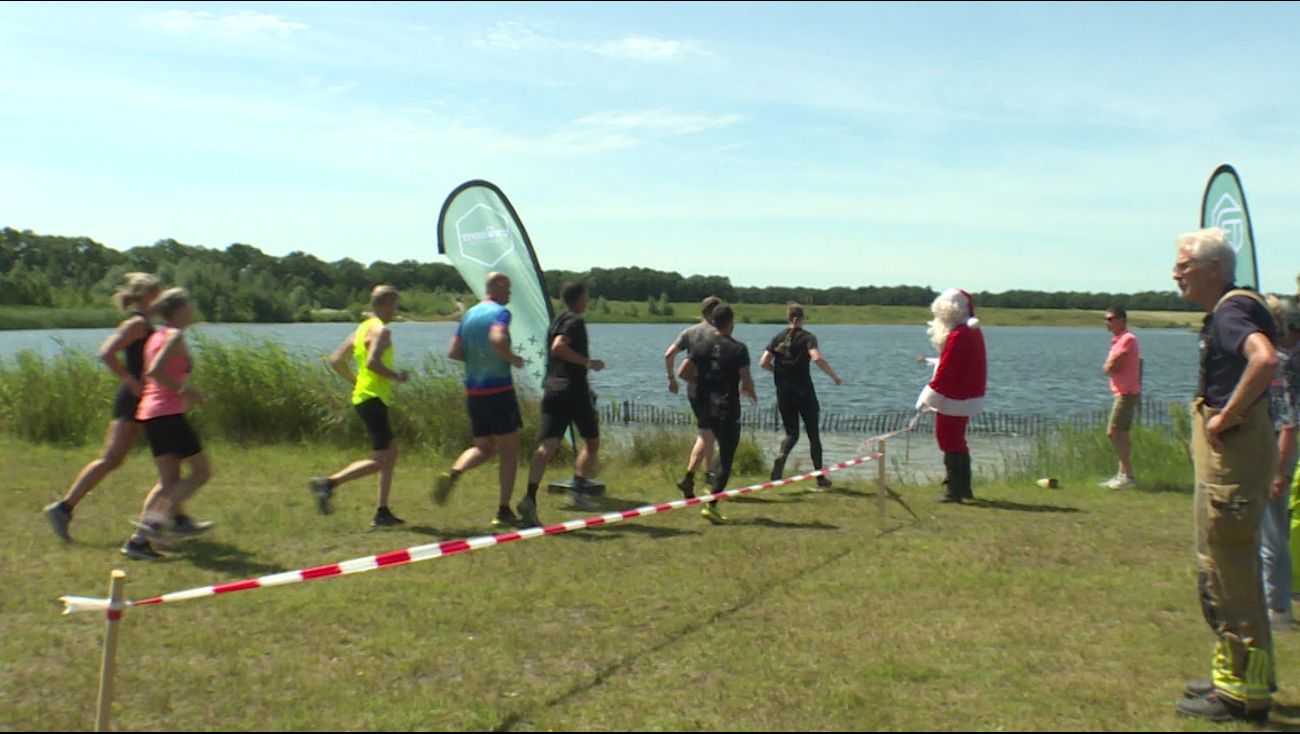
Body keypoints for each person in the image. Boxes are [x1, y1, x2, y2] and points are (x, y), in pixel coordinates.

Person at [1171, 228, 1278, 723]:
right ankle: (1237, 674)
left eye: (1184, 265)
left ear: (1214, 269)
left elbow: (1265, 358)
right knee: (1225, 564)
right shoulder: (1236, 308)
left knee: (1228, 569)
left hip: (1232, 461)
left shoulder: (1231, 313)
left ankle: (1241, 692)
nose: (1176, 274)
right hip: (1237, 458)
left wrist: (1225, 416)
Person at [43, 273, 161, 540]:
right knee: (113, 458)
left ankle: (173, 516)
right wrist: (131, 382)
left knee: (162, 457)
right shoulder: (137, 323)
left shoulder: (146, 324)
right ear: (146, 296)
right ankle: (63, 508)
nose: (161, 298)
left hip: (147, 398)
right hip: (133, 399)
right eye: (157, 293)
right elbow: (106, 353)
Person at [121, 288, 214, 560]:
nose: (192, 310)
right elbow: (155, 371)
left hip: (151, 413)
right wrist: (184, 391)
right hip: (167, 413)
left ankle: (138, 542)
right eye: (189, 305)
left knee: (168, 480)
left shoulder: (157, 335)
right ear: (178, 310)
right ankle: (156, 522)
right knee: (201, 472)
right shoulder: (174, 335)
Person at [309, 286, 410, 527]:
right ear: (385, 305)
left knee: (390, 452)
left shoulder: (362, 329)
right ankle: (328, 483)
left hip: (366, 398)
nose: (396, 311)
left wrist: (357, 382)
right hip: (373, 399)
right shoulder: (382, 331)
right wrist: (396, 376)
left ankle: (382, 511)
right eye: (395, 305)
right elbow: (373, 362)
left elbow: (336, 360)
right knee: (380, 460)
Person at [433, 272, 527, 529]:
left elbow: (454, 351)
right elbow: (497, 338)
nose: (510, 293)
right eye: (508, 288)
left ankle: (454, 473)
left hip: (474, 392)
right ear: (497, 287)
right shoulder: (500, 313)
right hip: (499, 391)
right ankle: (503, 510)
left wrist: (476, 360)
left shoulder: (469, 315)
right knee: (509, 451)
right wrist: (511, 358)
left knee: (484, 447)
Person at [520, 280, 606, 527]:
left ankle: (529, 497)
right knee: (592, 441)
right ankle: (579, 490)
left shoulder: (557, 320)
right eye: (586, 296)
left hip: (552, 389)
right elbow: (558, 348)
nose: (587, 300)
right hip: (573, 390)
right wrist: (588, 363)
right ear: (579, 298)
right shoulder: (575, 321)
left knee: (547, 446)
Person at [678, 304, 756, 525]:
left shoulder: (701, 345)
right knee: (726, 456)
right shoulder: (738, 348)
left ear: (713, 322)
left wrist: (700, 381)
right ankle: (711, 504)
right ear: (731, 323)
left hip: (704, 405)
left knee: (706, 440)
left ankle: (693, 479)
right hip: (726, 406)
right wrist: (750, 391)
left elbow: (682, 371)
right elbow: (746, 378)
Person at [760, 304, 843, 488]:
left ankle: (782, 456)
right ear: (802, 318)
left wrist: (779, 372)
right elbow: (817, 358)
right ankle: (820, 477)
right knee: (813, 434)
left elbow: (763, 362)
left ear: (788, 318)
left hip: (783, 391)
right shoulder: (808, 338)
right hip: (804, 391)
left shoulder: (778, 337)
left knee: (791, 433)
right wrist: (834, 376)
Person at [916, 288, 987, 504]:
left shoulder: (959, 334)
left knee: (949, 440)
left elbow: (948, 370)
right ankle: (963, 487)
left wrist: (928, 397)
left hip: (955, 395)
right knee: (957, 440)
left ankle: (954, 490)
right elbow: (954, 363)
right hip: (965, 393)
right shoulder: (970, 332)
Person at [1263, 295, 1299, 630]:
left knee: (1273, 533)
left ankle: (1277, 608)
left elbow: (1289, 422)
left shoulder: (1282, 363)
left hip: (1277, 450)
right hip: (1272, 447)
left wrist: (1280, 471)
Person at [664, 296, 722, 494]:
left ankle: (709, 475)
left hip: (693, 390)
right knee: (706, 435)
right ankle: (689, 477)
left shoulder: (689, 333)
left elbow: (669, 354)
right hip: (712, 390)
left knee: (708, 433)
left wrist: (671, 378)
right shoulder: (717, 333)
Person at [1100, 305, 1141, 489]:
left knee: (1113, 432)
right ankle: (1122, 475)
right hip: (1121, 391)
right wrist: (1108, 366)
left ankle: (1128, 475)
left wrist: (1108, 366)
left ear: (1121, 320)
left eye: (1110, 319)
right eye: (1106, 319)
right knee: (1121, 433)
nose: (1107, 323)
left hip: (1127, 392)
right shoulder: (1117, 340)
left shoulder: (1128, 339)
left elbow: (1113, 365)